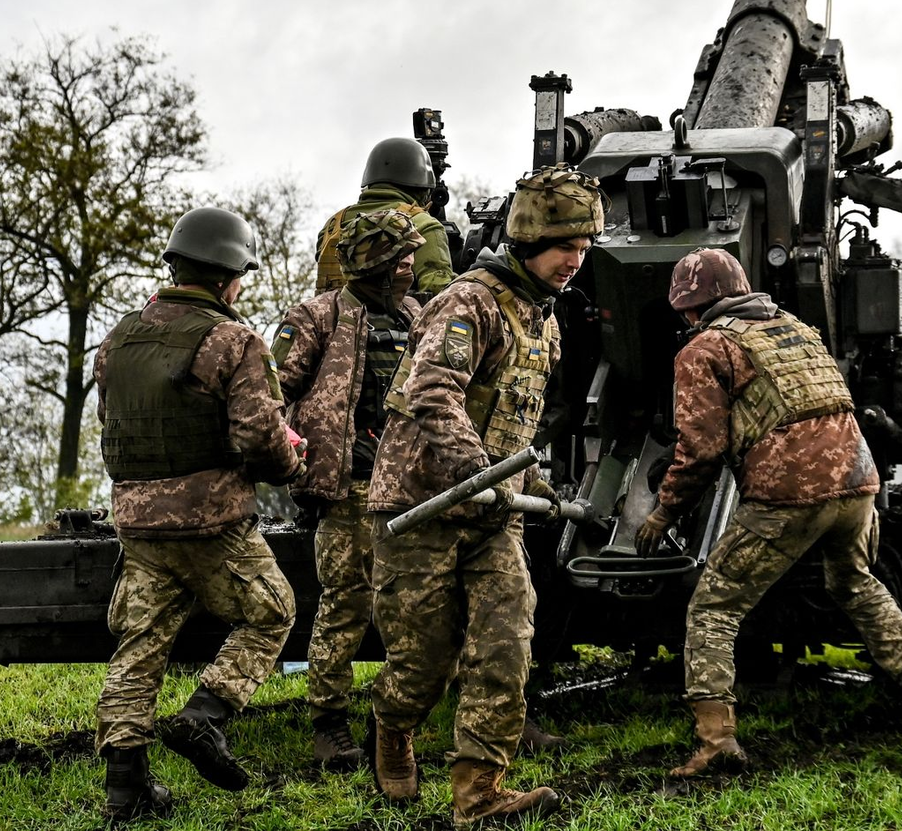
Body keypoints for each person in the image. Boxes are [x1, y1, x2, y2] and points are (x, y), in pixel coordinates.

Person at [635, 248, 902, 779]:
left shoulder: (706, 348)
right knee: (856, 583)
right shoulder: (796, 328)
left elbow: (699, 451)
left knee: (713, 609)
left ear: (692, 307)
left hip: (787, 496)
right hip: (857, 482)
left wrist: (662, 515)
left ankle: (715, 740)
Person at [367, 164, 605, 826]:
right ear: (529, 237)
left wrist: (536, 486)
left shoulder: (544, 322)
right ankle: (392, 725)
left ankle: (480, 793)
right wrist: (476, 467)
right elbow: (433, 392)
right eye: (566, 246)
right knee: (424, 661)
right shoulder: (467, 303)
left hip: (493, 515)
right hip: (423, 506)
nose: (574, 262)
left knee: (507, 640)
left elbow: (518, 422)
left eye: (584, 249)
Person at [93, 207, 305, 821]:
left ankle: (124, 787)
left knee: (141, 644)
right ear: (225, 276)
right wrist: (291, 461)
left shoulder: (117, 340)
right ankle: (204, 717)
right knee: (274, 614)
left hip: (136, 523)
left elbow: (116, 424)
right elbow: (261, 442)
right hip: (212, 523)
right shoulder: (234, 341)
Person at [271, 207, 424, 770]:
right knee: (344, 605)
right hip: (348, 487)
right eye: (400, 258)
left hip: (410, 489)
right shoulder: (317, 317)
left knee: (412, 606)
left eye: (411, 256)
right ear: (373, 263)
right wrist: (287, 457)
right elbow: (270, 391)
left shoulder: (418, 315)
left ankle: (392, 722)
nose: (410, 267)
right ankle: (329, 724)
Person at [315, 137, 454, 298]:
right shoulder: (422, 224)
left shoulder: (333, 225)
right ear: (425, 186)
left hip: (325, 321)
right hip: (394, 322)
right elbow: (440, 293)